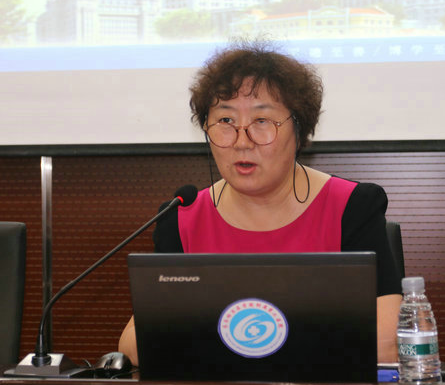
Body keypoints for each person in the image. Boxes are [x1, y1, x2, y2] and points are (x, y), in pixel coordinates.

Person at [119, 41, 403, 366]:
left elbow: (386, 343)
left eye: (263, 121)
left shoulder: (351, 207)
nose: (242, 141)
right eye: (225, 121)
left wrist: (216, 342)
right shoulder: (182, 217)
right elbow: (136, 344)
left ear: (299, 130)